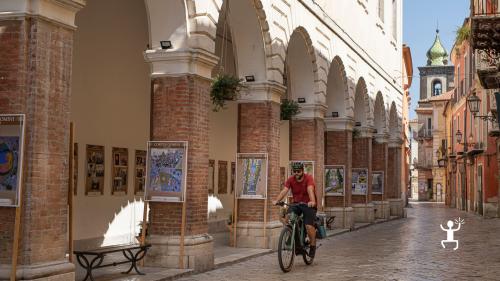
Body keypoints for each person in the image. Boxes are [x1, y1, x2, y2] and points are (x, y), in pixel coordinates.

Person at [273, 161, 317, 258]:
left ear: (302, 171)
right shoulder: (291, 179)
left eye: (298, 171)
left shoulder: (308, 178)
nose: (296, 173)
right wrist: (277, 200)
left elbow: (310, 190)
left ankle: (313, 246)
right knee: (288, 217)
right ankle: (292, 235)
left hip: (308, 204)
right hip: (296, 204)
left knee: (309, 226)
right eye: (294, 171)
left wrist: (312, 201)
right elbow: (284, 190)